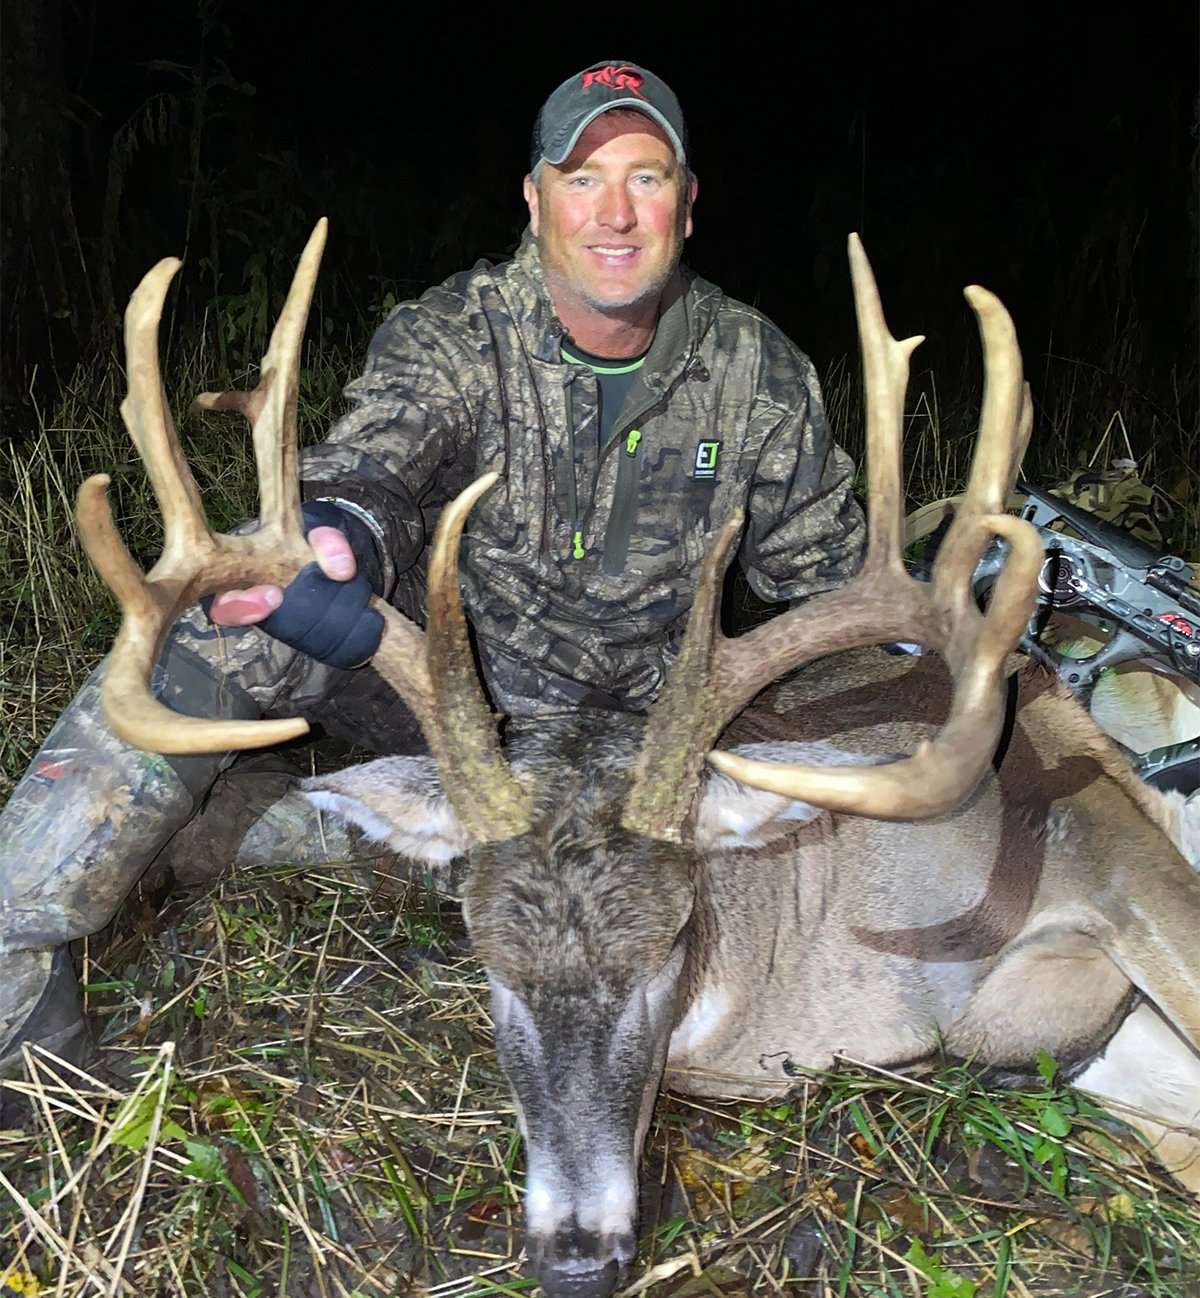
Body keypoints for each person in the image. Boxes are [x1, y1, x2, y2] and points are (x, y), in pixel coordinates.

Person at [0, 60, 864, 1073]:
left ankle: (245, 824)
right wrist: (344, 534)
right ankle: (16, 968)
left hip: (638, 763)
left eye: (647, 175)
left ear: (687, 202)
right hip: (450, 718)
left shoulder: (755, 370)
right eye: (582, 179)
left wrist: (930, 621)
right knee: (240, 607)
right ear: (536, 201)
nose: (615, 212)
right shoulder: (460, 333)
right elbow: (377, 460)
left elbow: (825, 577)